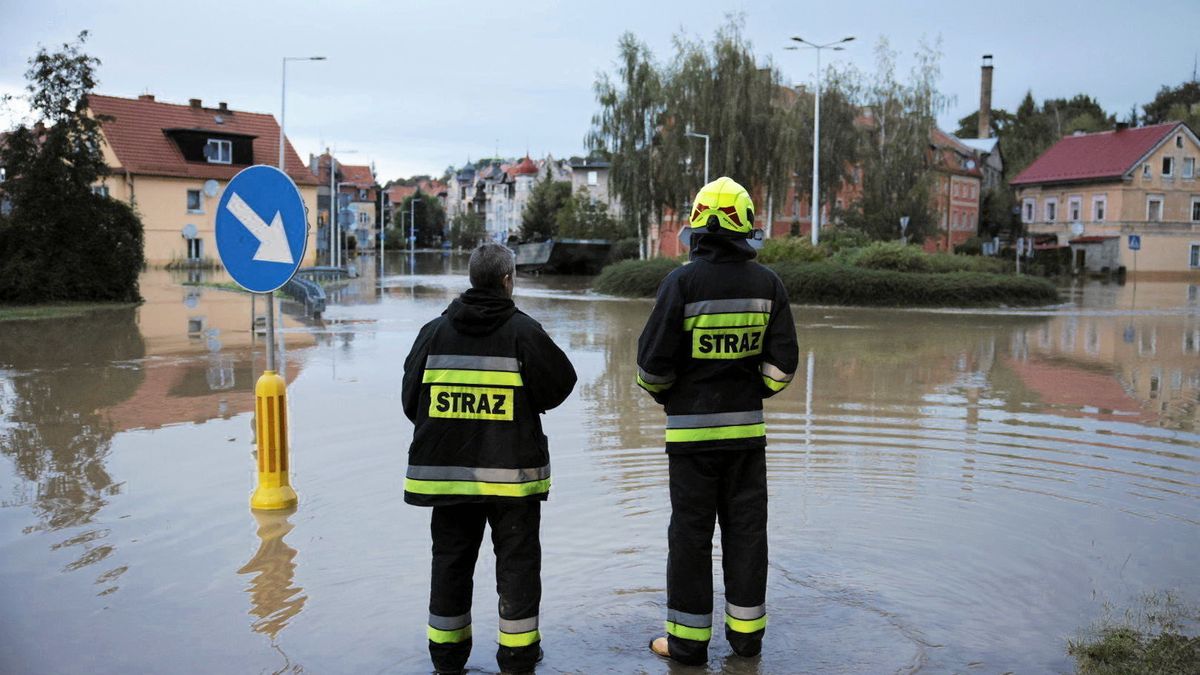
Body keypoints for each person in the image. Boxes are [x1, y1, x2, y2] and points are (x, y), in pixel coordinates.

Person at [636, 177, 799, 666]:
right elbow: (783, 365)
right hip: (747, 438)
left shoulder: (680, 284)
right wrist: (752, 393)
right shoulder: (768, 284)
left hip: (691, 440)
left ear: (698, 228)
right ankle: (746, 644)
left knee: (689, 537)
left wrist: (675, 400)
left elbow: (650, 369)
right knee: (747, 535)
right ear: (746, 228)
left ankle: (687, 647)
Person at [402, 242, 577, 675]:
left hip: (447, 479)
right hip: (512, 481)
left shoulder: (433, 332)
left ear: (470, 279)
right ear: (506, 281)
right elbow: (560, 386)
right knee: (517, 566)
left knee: (450, 564)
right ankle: (517, 659)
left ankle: (446, 659)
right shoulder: (524, 332)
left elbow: (411, 403)